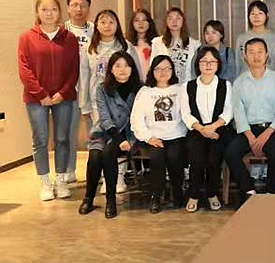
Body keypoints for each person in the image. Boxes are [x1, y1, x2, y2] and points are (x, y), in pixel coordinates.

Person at [18, 0, 79, 201]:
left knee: (62, 139)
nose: (49, 13)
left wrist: (63, 92)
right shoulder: (27, 37)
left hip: (64, 97)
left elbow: (74, 69)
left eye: (53, 9)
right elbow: (24, 69)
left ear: (59, 12)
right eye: (44, 9)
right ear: (38, 12)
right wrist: (41, 94)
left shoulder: (69, 38)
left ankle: (60, 181)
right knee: (41, 140)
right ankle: (45, 183)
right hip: (36, 99)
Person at [80, 9, 141, 194]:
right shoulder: (90, 48)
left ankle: (118, 177)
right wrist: (84, 103)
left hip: (122, 101)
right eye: (103, 22)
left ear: (117, 25)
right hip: (98, 100)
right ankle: (106, 177)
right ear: (96, 25)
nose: (107, 26)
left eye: (111, 22)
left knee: (120, 137)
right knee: (103, 140)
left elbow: (136, 72)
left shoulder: (126, 46)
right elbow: (84, 76)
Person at [78, 52, 141, 219]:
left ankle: (110, 200)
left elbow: (139, 117)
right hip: (105, 131)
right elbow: (104, 119)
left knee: (107, 152)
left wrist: (126, 140)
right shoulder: (102, 88)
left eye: (126, 65)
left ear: (132, 68)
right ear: (111, 69)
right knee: (95, 155)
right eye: (117, 66)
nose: (122, 69)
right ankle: (88, 198)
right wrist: (119, 140)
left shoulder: (140, 89)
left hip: (130, 133)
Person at [225, 38, 275, 198]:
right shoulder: (239, 82)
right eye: (251, 52)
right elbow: (238, 112)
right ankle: (249, 190)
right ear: (245, 57)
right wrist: (251, 137)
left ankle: (271, 194)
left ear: (266, 55)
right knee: (231, 153)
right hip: (248, 130)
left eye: (260, 52)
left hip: (272, 129)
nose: (256, 56)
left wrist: (267, 133)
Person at [131, 55, 188, 213]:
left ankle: (177, 192)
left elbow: (187, 114)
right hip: (154, 137)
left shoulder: (180, 89)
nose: (163, 72)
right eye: (159, 69)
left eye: (167, 68)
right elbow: (136, 118)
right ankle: (156, 196)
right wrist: (148, 137)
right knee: (157, 158)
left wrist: (184, 133)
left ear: (173, 70)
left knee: (175, 157)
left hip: (177, 135)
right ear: (152, 71)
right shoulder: (145, 92)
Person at [180, 46, 234, 212]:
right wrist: (202, 129)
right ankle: (193, 195)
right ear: (198, 64)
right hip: (197, 130)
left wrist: (213, 127)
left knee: (213, 158)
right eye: (204, 61)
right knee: (196, 159)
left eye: (212, 61)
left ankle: (212, 193)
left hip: (219, 130)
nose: (208, 65)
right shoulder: (187, 86)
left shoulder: (226, 85)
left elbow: (229, 111)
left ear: (218, 64)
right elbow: (186, 113)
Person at [63, 0, 93, 183]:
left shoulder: (94, 29)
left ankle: (96, 169)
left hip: (90, 87)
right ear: (68, 8)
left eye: (83, 5)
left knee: (94, 132)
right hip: (69, 87)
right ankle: (68, 169)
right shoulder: (62, 30)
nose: (78, 9)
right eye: (74, 5)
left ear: (88, 9)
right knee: (68, 131)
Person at [150, 7, 201, 84]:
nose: (174, 21)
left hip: (186, 85)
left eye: (178, 18)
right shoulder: (157, 42)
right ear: (166, 22)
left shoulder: (194, 44)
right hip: (165, 85)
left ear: (183, 21)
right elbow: (152, 66)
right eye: (170, 18)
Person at [235, 0, 275, 75]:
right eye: (253, 13)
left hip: (271, 79)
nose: (256, 17)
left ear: (267, 15)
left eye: (260, 13)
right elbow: (238, 64)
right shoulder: (241, 38)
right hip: (247, 79)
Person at [127, 8, 159, 82]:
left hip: (154, 82)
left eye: (144, 20)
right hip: (134, 82)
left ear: (149, 23)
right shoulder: (128, 44)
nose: (140, 23)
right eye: (136, 20)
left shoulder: (157, 43)